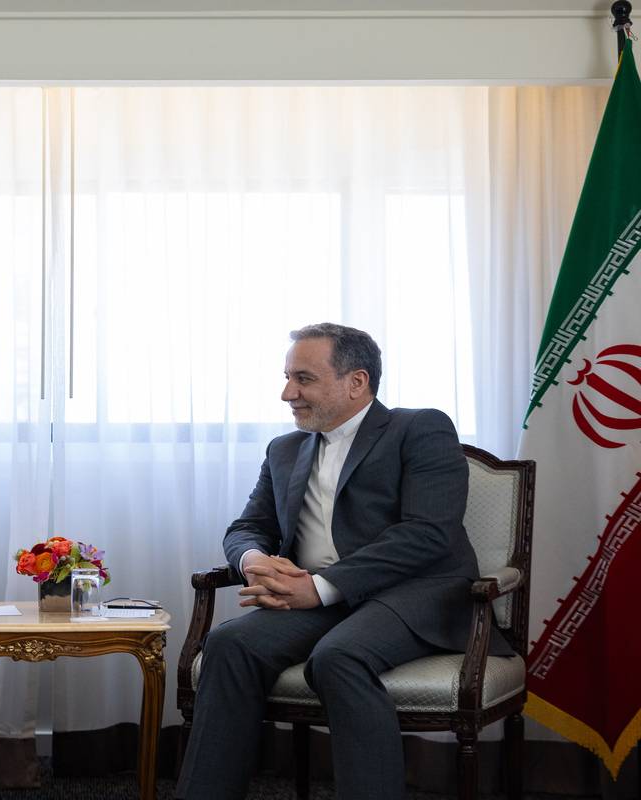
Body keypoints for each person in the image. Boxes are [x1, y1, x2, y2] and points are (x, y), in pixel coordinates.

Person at [176, 322, 507, 800]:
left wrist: (320, 586)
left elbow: (427, 533)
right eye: (288, 377)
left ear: (357, 382)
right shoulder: (285, 449)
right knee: (229, 644)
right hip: (322, 598)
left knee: (339, 657)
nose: (287, 393)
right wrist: (253, 561)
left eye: (304, 379)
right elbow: (247, 527)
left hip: (415, 594)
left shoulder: (420, 428)